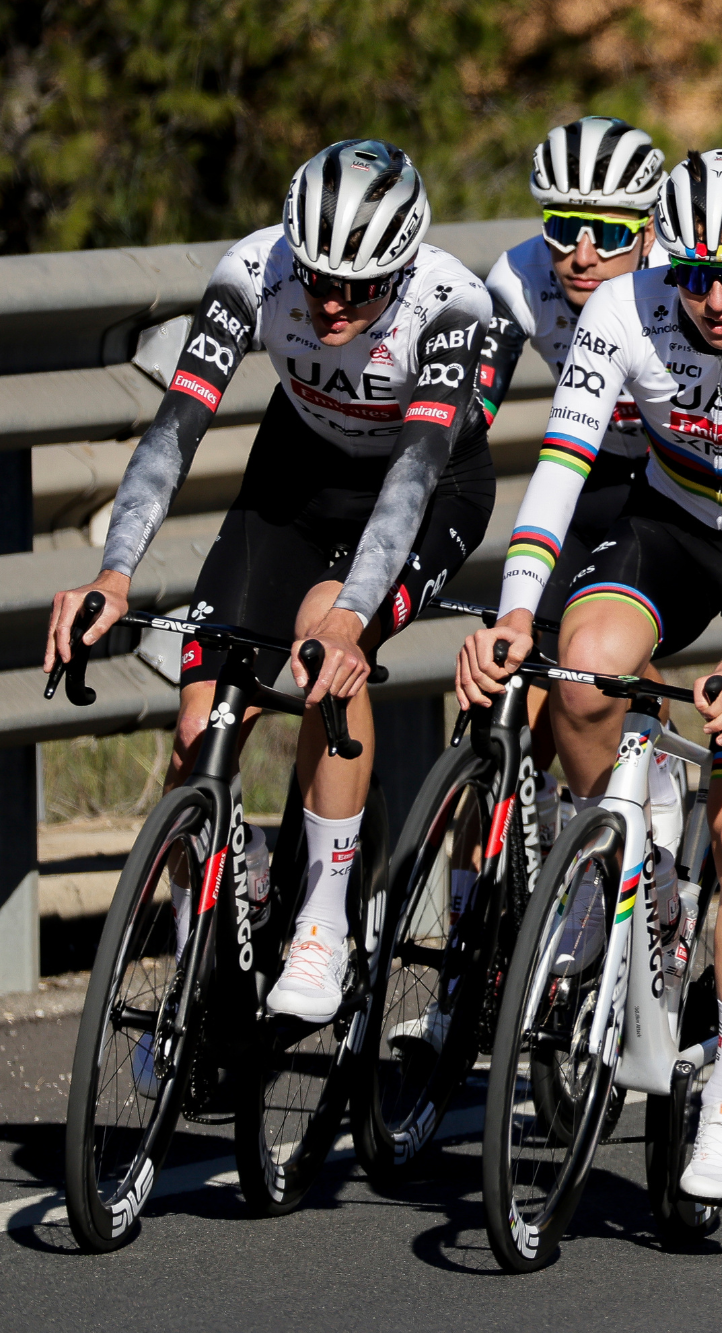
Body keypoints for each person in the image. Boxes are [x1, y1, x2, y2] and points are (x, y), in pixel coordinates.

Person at [456, 148, 722, 1204]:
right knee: (580, 676)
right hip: (673, 522)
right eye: (692, 275)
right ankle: (615, 859)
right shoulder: (622, 309)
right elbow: (559, 468)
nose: (714, 299)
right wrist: (519, 606)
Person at [46, 140, 495, 1023]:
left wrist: (351, 618)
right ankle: (199, 960)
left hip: (424, 487)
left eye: (358, 289)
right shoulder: (255, 270)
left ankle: (323, 926)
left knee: (327, 638)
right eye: (319, 279)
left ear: (403, 268)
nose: (330, 303)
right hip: (296, 477)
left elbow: (411, 479)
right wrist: (114, 571)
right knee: (198, 724)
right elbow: (176, 427)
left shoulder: (452, 305)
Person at [479, 115, 666, 831]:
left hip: (673, 485)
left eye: (611, 234)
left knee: (599, 661)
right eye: (563, 228)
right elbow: (468, 415)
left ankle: (654, 801)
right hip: (593, 474)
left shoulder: (684, 278)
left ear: (649, 231)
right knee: (508, 697)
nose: (582, 256)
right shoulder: (521, 276)